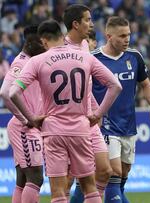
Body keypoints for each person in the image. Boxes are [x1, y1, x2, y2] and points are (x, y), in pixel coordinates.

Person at [9, 19, 122, 203]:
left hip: (53, 131)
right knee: (90, 188)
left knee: (59, 191)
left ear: (43, 41)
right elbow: (115, 86)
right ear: (62, 36)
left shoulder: (37, 60)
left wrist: (31, 119)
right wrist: (98, 114)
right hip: (81, 129)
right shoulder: (85, 57)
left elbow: (13, 92)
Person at [92, 16, 150, 203]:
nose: (127, 39)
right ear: (108, 36)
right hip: (105, 126)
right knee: (113, 173)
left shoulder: (134, 56)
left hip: (129, 126)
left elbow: (146, 85)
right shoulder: (94, 59)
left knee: (123, 174)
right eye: (122, 36)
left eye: (128, 35)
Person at [62, 4, 113, 202]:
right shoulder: (63, 49)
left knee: (105, 170)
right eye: (88, 20)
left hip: (89, 120)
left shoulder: (84, 46)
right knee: (68, 179)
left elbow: (86, 87)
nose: (91, 24)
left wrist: (96, 111)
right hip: (69, 122)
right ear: (76, 24)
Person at [0, 25, 46, 203]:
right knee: (36, 178)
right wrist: (25, 119)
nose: (45, 46)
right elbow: (5, 92)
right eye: (42, 43)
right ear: (31, 42)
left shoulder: (29, 60)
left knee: (23, 180)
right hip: (24, 128)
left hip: (25, 126)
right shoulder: (22, 63)